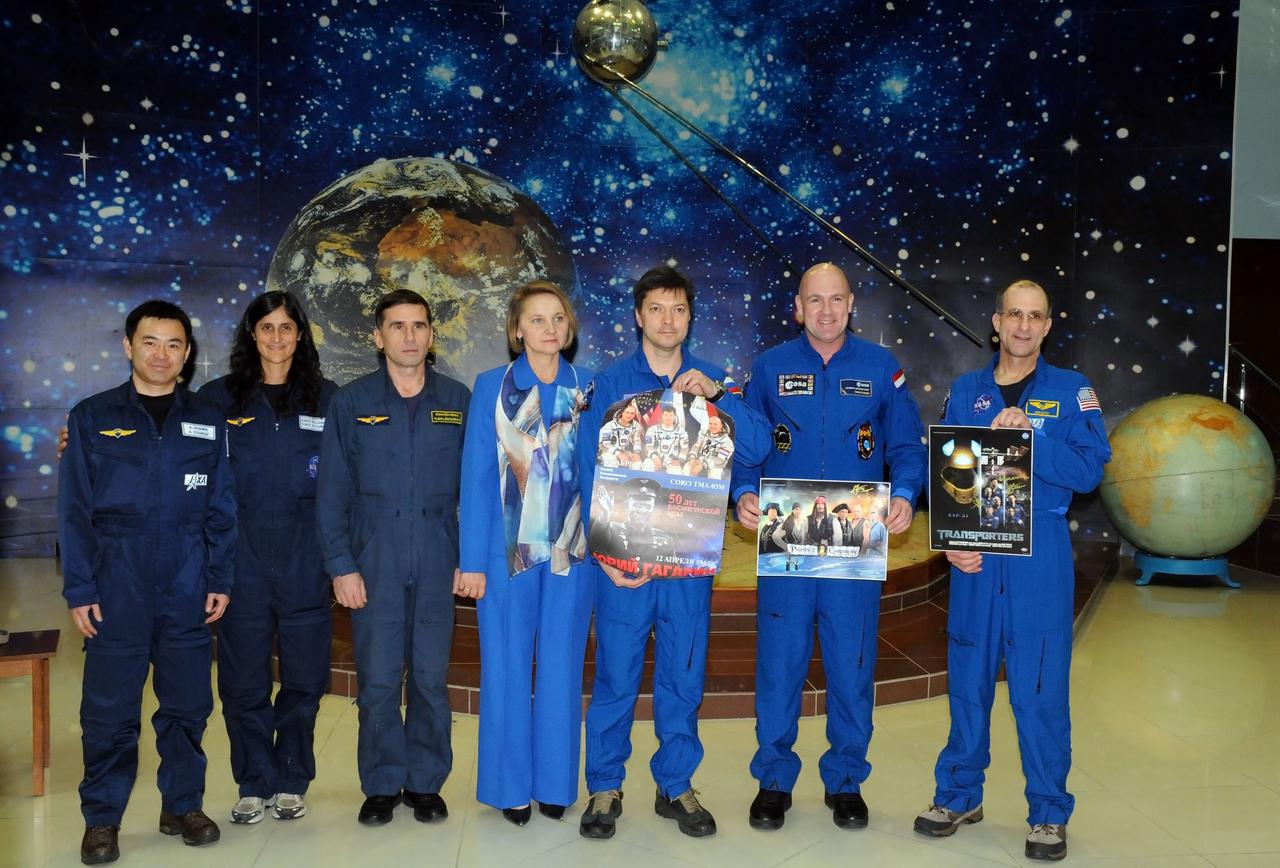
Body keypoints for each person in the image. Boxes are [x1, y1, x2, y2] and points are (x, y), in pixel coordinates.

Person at [913, 280, 1109, 861]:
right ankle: (958, 794)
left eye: (1036, 317)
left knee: (1040, 688)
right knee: (967, 681)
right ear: (996, 322)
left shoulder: (1072, 393)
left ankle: (1048, 811)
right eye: (1014, 315)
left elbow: (1090, 471)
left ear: (1048, 326)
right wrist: (950, 543)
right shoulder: (966, 391)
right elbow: (947, 474)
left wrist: (1035, 439)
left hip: (1038, 558)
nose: (1023, 326)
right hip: (975, 559)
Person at [576, 265, 769, 841]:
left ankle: (675, 784)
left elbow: (754, 449)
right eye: (656, 308)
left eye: (678, 309)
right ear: (638, 316)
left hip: (687, 560)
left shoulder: (712, 378)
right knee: (615, 674)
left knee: (684, 676)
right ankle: (605, 785)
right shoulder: (609, 383)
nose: (667, 319)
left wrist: (716, 400)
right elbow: (589, 470)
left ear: (689, 317)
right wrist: (607, 553)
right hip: (626, 562)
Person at [732, 262, 926, 832]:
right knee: (779, 666)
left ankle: (845, 780)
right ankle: (773, 779)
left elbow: (908, 446)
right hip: (786, 545)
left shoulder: (880, 368)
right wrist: (744, 492)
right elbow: (747, 446)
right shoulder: (768, 368)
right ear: (798, 306)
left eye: (835, 300)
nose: (824, 310)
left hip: (854, 545)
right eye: (814, 300)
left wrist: (908, 496)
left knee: (851, 665)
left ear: (850, 306)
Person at [59, 300, 236, 865]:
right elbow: (74, 511)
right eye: (151, 342)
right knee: (109, 711)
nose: (162, 354)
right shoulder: (91, 416)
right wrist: (80, 589)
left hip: (186, 580)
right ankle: (103, 819)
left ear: (187, 353)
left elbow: (221, 507)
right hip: (118, 583)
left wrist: (219, 577)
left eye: (175, 344)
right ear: (128, 346)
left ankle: (181, 805)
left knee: (187, 704)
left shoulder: (207, 419)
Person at [315, 289, 469, 827]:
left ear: (431, 335)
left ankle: (425, 783)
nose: (409, 336)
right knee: (378, 682)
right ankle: (381, 784)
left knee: (429, 679)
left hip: (436, 559)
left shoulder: (457, 400)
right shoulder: (351, 403)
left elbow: (474, 492)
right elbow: (331, 492)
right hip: (372, 562)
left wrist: (469, 558)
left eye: (419, 325)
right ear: (378, 337)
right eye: (397, 326)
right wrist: (341, 566)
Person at [197, 291, 338, 824]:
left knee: (304, 679)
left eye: (286, 328)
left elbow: (352, 476)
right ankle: (253, 780)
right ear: (251, 335)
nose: (276, 338)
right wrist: (84, 438)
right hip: (241, 564)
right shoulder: (217, 399)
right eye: (266, 328)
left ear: (300, 335)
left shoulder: (328, 399)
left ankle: (292, 778)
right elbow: (162, 437)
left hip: (307, 560)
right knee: (242, 681)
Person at [456, 280, 593, 826]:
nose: (549, 328)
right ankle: (509, 787)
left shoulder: (588, 387)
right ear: (517, 330)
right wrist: (470, 561)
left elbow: (601, 475)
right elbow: (475, 479)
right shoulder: (491, 385)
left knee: (561, 666)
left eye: (557, 318)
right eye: (537, 320)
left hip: (570, 551)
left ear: (569, 326)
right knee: (508, 667)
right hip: (504, 554)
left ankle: (556, 783)